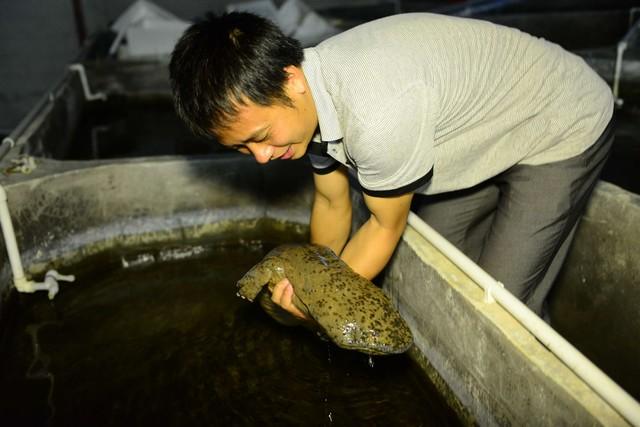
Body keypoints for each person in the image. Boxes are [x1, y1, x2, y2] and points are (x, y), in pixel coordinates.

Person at [169, 11, 614, 319]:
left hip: (557, 119)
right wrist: (311, 277)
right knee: (437, 266)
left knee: (503, 307)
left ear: (291, 80)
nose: (263, 158)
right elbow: (331, 200)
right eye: (243, 149)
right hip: (478, 131)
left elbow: (383, 227)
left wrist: (315, 305)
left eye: (261, 138)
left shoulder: (375, 112)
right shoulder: (310, 101)